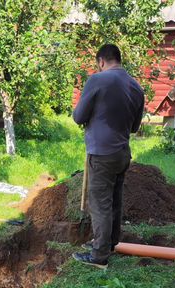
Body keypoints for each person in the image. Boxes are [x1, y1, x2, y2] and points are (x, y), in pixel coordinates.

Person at [72, 43, 145, 269]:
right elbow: (134, 127)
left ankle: (99, 256)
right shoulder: (136, 87)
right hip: (122, 153)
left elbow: (78, 116)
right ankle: (109, 243)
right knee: (114, 199)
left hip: (102, 153)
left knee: (100, 204)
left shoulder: (97, 80)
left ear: (101, 61)